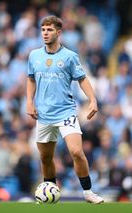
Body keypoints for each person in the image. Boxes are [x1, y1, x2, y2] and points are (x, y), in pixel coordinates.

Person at [26, 15, 104, 204]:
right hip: (43, 114)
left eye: (49, 30)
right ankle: (50, 192)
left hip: (66, 112)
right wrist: (29, 101)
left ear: (58, 32)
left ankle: (88, 192)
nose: (45, 33)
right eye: (43, 29)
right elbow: (30, 79)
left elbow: (82, 79)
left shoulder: (69, 56)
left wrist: (92, 99)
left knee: (76, 151)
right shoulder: (34, 56)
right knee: (45, 157)